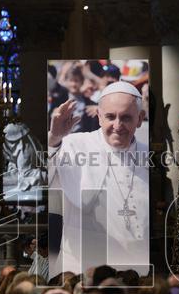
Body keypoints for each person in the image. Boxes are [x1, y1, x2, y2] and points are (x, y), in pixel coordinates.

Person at [48, 81, 150, 275]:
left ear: (140, 118)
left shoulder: (149, 154)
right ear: (99, 117)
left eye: (126, 118)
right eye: (110, 117)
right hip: (80, 269)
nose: (117, 126)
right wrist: (53, 138)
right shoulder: (73, 145)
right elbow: (42, 177)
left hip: (135, 269)